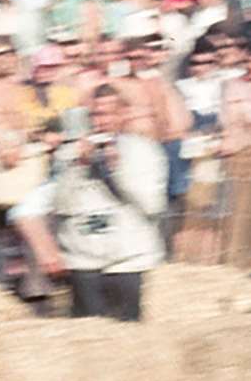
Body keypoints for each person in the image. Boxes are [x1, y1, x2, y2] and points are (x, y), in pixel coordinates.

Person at [13, 85, 167, 321]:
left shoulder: (143, 150)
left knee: (127, 333)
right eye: (96, 114)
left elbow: (152, 205)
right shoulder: (71, 154)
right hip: (84, 259)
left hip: (127, 260)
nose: (101, 121)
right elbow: (61, 205)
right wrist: (77, 167)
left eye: (108, 113)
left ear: (122, 114)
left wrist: (117, 170)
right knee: (87, 334)